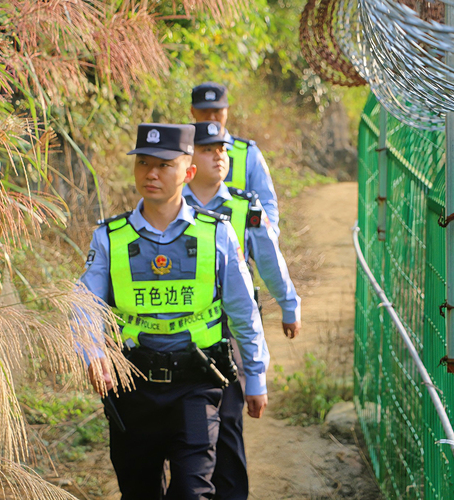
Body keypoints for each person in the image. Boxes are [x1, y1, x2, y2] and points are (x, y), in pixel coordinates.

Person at [78, 123, 269, 500]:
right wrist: (93, 352)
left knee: (191, 492)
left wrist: (257, 377)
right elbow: (83, 303)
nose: (151, 173)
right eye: (144, 163)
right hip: (131, 387)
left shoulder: (216, 233)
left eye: (164, 165)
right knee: (139, 492)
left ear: (188, 172)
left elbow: (243, 310)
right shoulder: (109, 237)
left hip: (196, 383)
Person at [183, 121, 301, 500]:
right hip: (179, 334)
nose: (220, 155)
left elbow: (269, 259)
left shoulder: (245, 206)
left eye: (222, 148)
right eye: (208, 148)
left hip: (229, 328)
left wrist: (288, 304)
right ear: (189, 160)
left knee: (228, 420)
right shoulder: (169, 208)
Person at [190, 82, 282, 236]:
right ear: (192, 111)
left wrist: (266, 239)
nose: (211, 117)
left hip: (240, 252)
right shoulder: (180, 152)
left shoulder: (248, 153)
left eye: (217, 110)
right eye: (204, 110)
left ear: (227, 110)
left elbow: (266, 202)